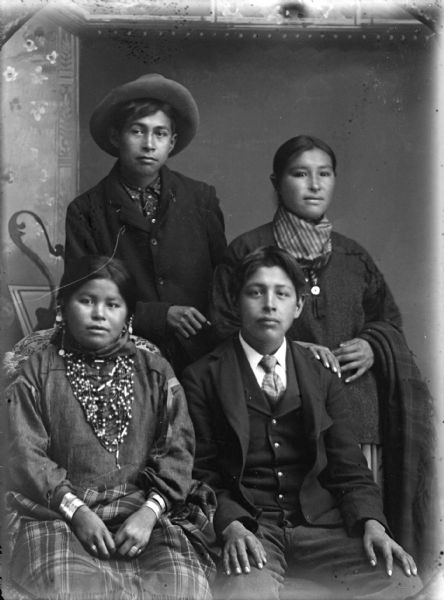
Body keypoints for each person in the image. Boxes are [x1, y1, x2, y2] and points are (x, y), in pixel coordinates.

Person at [209, 135, 435, 565]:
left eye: (324, 174)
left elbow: (388, 320)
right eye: (300, 174)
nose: (314, 185)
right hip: (285, 417)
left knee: (364, 521)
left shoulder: (353, 255)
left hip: (356, 410)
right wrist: (288, 347)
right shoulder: (246, 251)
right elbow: (220, 324)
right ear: (277, 183)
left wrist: (373, 344)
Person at [182, 246, 423, 600]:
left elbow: (348, 466)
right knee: (245, 593)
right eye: (255, 292)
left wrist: (373, 523)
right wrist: (231, 525)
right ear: (235, 303)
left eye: (281, 294)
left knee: (403, 582)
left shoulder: (321, 374)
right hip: (251, 529)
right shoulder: (202, 376)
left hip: (319, 528)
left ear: (297, 307)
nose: (269, 304)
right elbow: (201, 472)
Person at [5, 255, 216, 600]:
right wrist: (77, 512)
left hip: (143, 508)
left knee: (181, 586)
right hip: (59, 512)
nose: (99, 313)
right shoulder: (37, 373)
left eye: (112, 304)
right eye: (86, 301)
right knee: (70, 584)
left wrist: (149, 514)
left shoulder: (155, 372)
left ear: (128, 316)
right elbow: (25, 453)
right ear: (63, 306)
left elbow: (177, 451)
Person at [64, 73, 227, 373]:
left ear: (172, 142)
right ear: (116, 136)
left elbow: (224, 280)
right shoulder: (86, 211)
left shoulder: (200, 199)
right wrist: (158, 316)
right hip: (121, 356)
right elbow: (81, 296)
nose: (149, 144)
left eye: (160, 133)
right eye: (137, 131)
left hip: (202, 357)